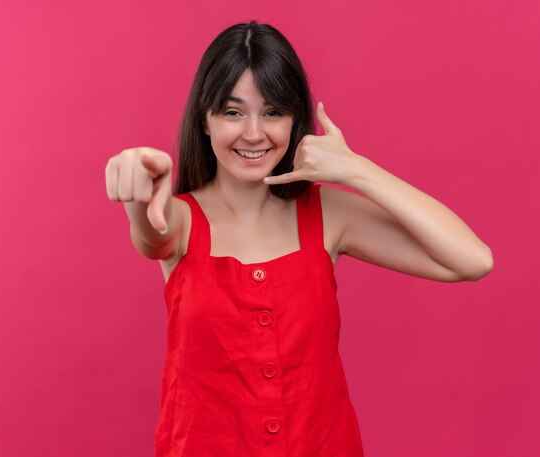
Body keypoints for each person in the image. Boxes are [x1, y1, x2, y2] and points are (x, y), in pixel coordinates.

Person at [105, 20, 493, 457]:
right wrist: (137, 188)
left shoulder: (327, 214)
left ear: (296, 121)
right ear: (205, 119)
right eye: (233, 112)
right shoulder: (178, 221)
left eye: (273, 112)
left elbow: (472, 259)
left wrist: (356, 170)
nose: (254, 133)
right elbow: (149, 234)